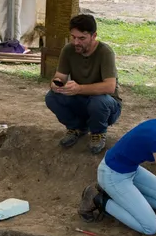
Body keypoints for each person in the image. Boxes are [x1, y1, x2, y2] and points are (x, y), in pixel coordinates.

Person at [45, 14, 121, 155]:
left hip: (108, 105)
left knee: (99, 101)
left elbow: (109, 87)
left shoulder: (105, 52)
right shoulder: (68, 50)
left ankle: (98, 132)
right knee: (51, 97)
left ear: (93, 36)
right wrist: (56, 85)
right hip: (81, 100)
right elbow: (59, 77)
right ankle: (76, 128)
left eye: (82, 38)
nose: (76, 42)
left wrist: (79, 89)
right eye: (73, 37)